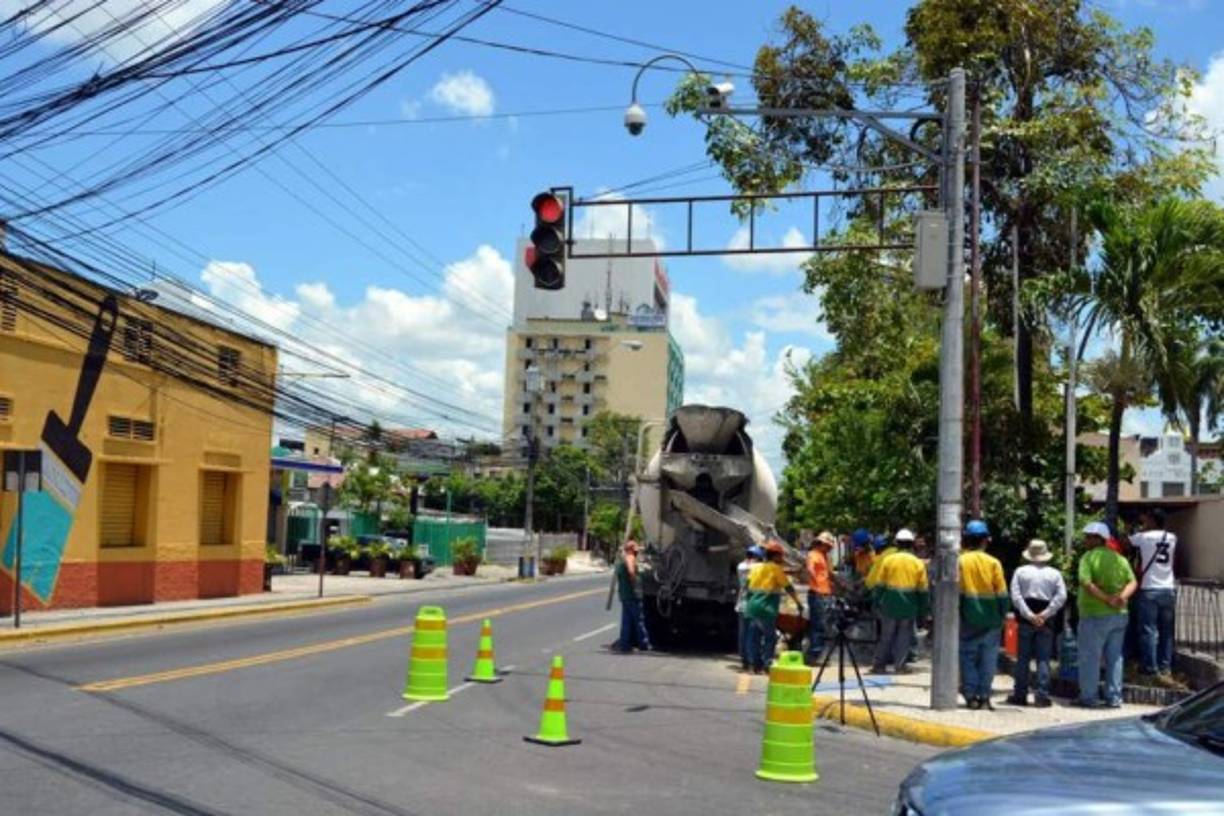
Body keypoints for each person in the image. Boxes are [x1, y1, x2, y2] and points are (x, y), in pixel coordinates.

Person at [1076, 521, 1138, 708]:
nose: (1085, 540)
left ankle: (1089, 697)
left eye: (1088, 537)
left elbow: (1086, 582)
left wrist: (1107, 599)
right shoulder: (1120, 559)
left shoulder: (1088, 558)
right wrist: (1120, 599)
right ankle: (1114, 697)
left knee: (1090, 657)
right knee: (1115, 656)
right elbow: (1133, 582)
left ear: (1098, 539)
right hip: (1119, 615)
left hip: (1094, 614)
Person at [1006, 539, 1067, 708]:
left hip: (1026, 617)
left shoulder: (1020, 571)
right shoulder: (1055, 574)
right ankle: (1042, 696)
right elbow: (1061, 597)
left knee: (1023, 658)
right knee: (1043, 659)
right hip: (1046, 619)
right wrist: (1045, 614)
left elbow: (1016, 596)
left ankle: (1020, 694)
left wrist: (1029, 615)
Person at [958, 520, 1009, 710]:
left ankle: (971, 696)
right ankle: (985, 696)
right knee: (988, 659)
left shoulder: (960, 561)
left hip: (968, 617)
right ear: (985, 541)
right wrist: (1003, 614)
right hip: (992, 619)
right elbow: (1002, 594)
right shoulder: (994, 563)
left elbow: (957, 592)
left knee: (967, 656)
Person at [868, 530, 928, 675]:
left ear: (897, 543)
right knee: (904, 637)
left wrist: (875, 603)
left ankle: (879, 666)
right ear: (911, 544)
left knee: (886, 636)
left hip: (889, 604)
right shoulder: (917, 563)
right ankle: (900, 667)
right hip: (908, 606)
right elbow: (923, 590)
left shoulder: (889, 560)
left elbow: (880, 585)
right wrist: (924, 611)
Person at [1130, 508, 1178, 679]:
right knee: (1166, 631)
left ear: (1151, 520)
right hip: (1168, 588)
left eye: (1146, 520)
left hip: (1149, 588)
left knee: (1148, 630)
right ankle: (1166, 667)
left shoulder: (1143, 537)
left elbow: (1127, 540)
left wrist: (1141, 528)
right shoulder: (1172, 537)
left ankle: (1150, 668)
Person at [744, 539, 804, 674]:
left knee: (754, 638)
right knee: (770, 638)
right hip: (767, 608)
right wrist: (799, 604)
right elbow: (788, 587)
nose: (782, 558)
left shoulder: (756, 568)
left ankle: (755, 665)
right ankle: (767, 664)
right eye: (780, 555)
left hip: (752, 607)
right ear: (776, 555)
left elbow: (747, 587)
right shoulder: (776, 569)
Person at [612, 540, 652, 653]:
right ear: (631, 550)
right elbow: (631, 571)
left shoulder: (621, 560)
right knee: (639, 620)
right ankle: (644, 644)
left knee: (627, 621)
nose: (636, 552)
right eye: (635, 550)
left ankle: (625, 645)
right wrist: (634, 582)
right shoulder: (630, 557)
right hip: (632, 595)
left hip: (624, 595)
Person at [805, 531, 837, 664]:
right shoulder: (813, 555)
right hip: (818, 594)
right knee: (818, 625)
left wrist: (839, 584)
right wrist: (817, 584)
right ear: (821, 544)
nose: (829, 549)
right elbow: (810, 569)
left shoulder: (824, 556)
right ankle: (813, 656)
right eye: (828, 546)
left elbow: (829, 574)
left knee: (825, 625)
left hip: (825, 594)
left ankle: (818, 654)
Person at [736, 546, 764, 671]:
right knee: (753, 635)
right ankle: (753, 661)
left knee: (743, 634)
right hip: (753, 605)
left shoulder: (741, 566)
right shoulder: (757, 567)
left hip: (742, 605)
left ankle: (745, 661)